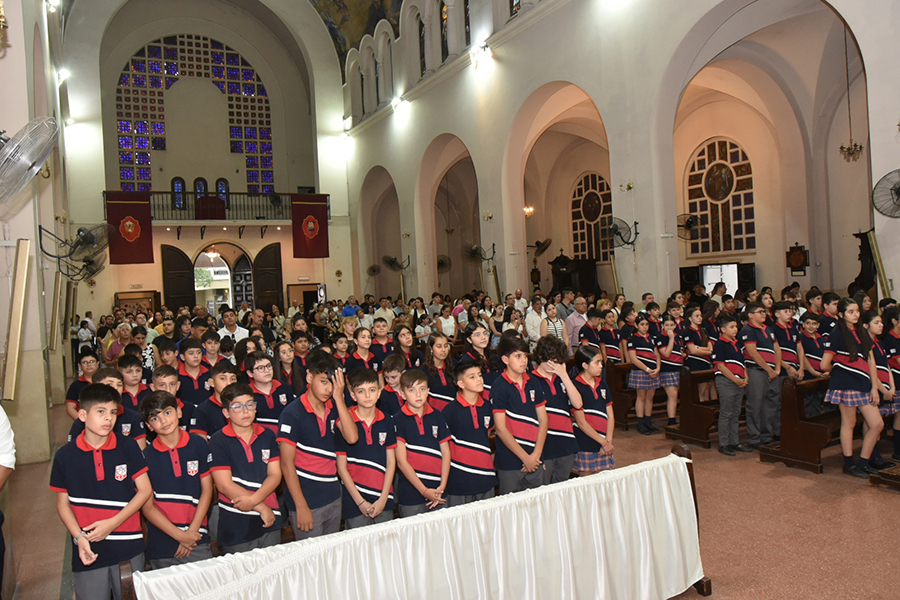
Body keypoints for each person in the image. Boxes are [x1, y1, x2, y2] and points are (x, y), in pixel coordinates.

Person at [50, 384, 152, 599]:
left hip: (129, 544)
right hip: (88, 547)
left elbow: (144, 491)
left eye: (113, 412)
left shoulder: (128, 446)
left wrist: (111, 524)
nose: (108, 418)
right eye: (101, 412)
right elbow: (62, 503)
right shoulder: (65, 456)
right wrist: (79, 538)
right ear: (83, 415)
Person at [277, 351, 358, 540]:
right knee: (309, 564)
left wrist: (339, 399)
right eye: (323, 381)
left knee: (330, 560)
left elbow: (352, 437)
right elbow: (286, 464)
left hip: (332, 496)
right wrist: (300, 506)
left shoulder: (333, 407)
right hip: (306, 501)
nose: (328, 389)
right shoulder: (292, 413)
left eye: (333, 383)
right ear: (309, 377)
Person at [139, 391, 213, 569]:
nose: (163, 421)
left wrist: (191, 533)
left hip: (197, 538)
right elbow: (147, 507)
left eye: (167, 412)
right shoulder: (145, 457)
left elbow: (207, 490)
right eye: (155, 418)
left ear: (179, 412)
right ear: (149, 426)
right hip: (162, 543)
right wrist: (180, 536)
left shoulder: (199, 444)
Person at [208, 383, 283, 553]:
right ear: (226, 412)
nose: (246, 411)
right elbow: (224, 485)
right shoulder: (218, 440)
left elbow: (275, 475)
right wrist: (260, 507)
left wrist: (255, 501)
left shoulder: (267, 435)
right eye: (237, 407)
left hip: (270, 517)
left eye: (250, 405)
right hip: (236, 522)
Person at [820, 298, 884, 478]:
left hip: (864, 383)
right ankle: (849, 463)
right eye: (850, 312)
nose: (855, 315)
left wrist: (873, 387)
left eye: (857, 311)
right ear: (841, 314)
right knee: (849, 423)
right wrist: (841, 369)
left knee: (877, 424)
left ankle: (863, 463)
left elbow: (871, 360)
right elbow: (824, 364)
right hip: (846, 384)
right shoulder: (836, 333)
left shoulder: (862, 331)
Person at [335, 368, 397, 528]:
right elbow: (341, 468)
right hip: (355, 501)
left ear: (379, 392)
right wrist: (360, 502)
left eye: (372, 390)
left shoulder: (387, 421)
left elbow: (391, 462)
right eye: (361, 391)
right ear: (353, 396)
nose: (368, 396)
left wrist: (383, 498)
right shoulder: (344, 422)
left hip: (383, 499)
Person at [490, 336, 548, 494]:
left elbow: (543, 420)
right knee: (510, 511)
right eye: (518, 356)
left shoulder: (533, 382)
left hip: (535, 457)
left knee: (538, 508)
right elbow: (500, 429)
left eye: (525, 355)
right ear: (505, 359)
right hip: (510, 460)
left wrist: (536, 454)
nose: (524, 360)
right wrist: (525, 458)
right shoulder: (499, 387)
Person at [393, 369, 451, 516]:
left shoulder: (437, 415)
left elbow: (446, 453)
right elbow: (401, 461)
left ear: (428, 391)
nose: (418, 395)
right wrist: (425, 491)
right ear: (402, 393)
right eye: (412, 390)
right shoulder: (398, 419)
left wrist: (442, 486)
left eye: (422, 389)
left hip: (439, 491)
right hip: (412, 495)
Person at [443, 361, 497, 506]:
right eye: (472, 377)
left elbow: (487, 436)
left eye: (479, 375)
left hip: (485, 476)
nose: (479, 379)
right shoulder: (449, 411)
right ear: (461, 383)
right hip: (459, 478)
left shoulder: (487, 407)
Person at [531, 335, 583, 484]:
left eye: (558, 361)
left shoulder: (562, 377)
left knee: (563, 485)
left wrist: (565, 377)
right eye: (551, 361)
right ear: (541, 357)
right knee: (543, 487)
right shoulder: (531, 380)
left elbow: (578, 404)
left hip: (566, 442)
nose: (555, 365)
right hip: (545, 444)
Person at [68, 369, 148, 451]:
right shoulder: (83, 421)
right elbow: (72, 452)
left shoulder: (132, 416)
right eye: (109, 384)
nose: (116, 388)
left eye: (119, 385)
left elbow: (140, 451)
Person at [739, 301, 783, 449]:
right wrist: (769, 370)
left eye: (764, 311)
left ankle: (766, 435)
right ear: (750, 315)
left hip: (772, 372)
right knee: (755, 405)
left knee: (771, 404)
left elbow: (777, 349)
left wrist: (777, 369)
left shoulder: (769, 329)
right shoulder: (748, 330)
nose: (764, 314)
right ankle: (754, 437)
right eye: (760, 312)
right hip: (756, 371)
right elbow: (752, 353)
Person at [711, 314, 753, 455]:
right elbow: (721, 366)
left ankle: (734, 441)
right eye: (732, 327)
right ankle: (724, 443)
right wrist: (735, 380)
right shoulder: (720, 344)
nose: (735, 329)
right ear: (723, 329)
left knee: (736, 413)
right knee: (726, 413)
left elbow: (742, 363)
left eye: (736, 326)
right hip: (726, 381)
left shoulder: (737, 343)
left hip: (739, 381)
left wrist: (745, 377)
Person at [570, 346, 615, 475]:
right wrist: (603, 442)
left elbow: (610, 415)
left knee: (604, 482)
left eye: (601, 362)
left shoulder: (602, 384)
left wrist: (608, 441)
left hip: (605, 441)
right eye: (597, 362)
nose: (601, 365)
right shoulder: (575, 386)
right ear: (585, 365)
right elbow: (581, 422)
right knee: (586, 484)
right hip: (586, 442)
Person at [863, 310, 896, 469]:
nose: (881, 325)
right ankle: (871, 457)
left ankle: (876, 456)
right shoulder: (866, 344)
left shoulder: (878, 341)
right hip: (873, 388)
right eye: (876, 323)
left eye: (881, 322)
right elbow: (870, 370)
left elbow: (887, 366)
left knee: (877, 423)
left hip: (886, 387)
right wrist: (883, 389)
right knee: (871, 423)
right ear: (865, 325)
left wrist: (892, 387)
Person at [627, 315, 661, 435]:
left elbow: (657, 355)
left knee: (650, 397)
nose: (645, 327)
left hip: (653, 371)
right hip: (640, 371)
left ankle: (648, 421)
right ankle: (641, 423)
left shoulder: (651, 338)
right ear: (636, 325)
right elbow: (633, 359)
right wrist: (647, 370)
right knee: (641, 397)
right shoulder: (633, 339)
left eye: (646, 324)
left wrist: (657, 368)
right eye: (642, 324)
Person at [245, 351, 293, 433]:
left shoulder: (283, 387)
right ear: (250, 373)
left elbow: (293, 412)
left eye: (269, 366)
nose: (267, 370)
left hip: (285, 434)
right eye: (260, 368)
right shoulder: (246, 394)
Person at [880, 306, 900, 462]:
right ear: (894, 321)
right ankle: (898, 451)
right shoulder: (889, 338)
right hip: (896, 381)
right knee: (899, 416)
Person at [682, 305, 714, 402]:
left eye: (700, 315)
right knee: (701, 389)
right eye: (697, 316)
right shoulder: (687, 332)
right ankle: (701, 412)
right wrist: (705, 350)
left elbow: (710, 348)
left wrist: (700, 348)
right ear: (690, 318)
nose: (700, 318)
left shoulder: (703, 330)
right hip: (695, 362)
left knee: (708, 386)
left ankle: (708, 409)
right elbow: (693, 351)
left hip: (706, 361)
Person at [657, 314, 684, 427]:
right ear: (662, 326)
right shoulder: (661, 337)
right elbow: (666, 353)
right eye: (667, 325)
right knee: (672, 395)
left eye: (671, 325)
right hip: (667, 369)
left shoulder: (678, 336)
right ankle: (671, 420)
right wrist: (671, 338)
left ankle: (676, 417)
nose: (669, 328)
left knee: (677, 394)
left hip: (678, 368)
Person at [177, 338, 212, 406]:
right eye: (191, 353)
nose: (196, 356)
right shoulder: (176, 376)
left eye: (198, 352)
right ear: (182, 357)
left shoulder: (210, 373)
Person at [67, 350, 101, 420]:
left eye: (92, 361)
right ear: (80, 366)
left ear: (98, 363)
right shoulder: (76, 385)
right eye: (85, 362)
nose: (89, 365)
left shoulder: (105, 381)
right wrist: (81, 422)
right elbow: (70, 408)